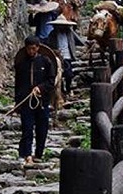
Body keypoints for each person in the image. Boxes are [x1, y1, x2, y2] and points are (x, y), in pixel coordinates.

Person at [14, 35, 56, 165]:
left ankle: (38, 154)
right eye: (28, 49)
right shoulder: (22, 64)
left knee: (42, 129)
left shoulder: (46, 62)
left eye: (33, 48)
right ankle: (27, 155)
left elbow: (51, 81)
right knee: (27, 128)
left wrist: (40, 88)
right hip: (26, 101)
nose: (31, 51)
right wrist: (17, 103)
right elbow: (18, 84)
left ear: (37, 48)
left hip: (42, 101)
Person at [48, 14, 83, 96]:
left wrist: (85, 43)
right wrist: (55, 51)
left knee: (69, 74)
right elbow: (49, 45)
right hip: (57, 57)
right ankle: (62, 90)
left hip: (68, 56)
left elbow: (78, 40)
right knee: (59, 74)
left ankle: (68, 87)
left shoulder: (70, 32)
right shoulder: (52, 34)